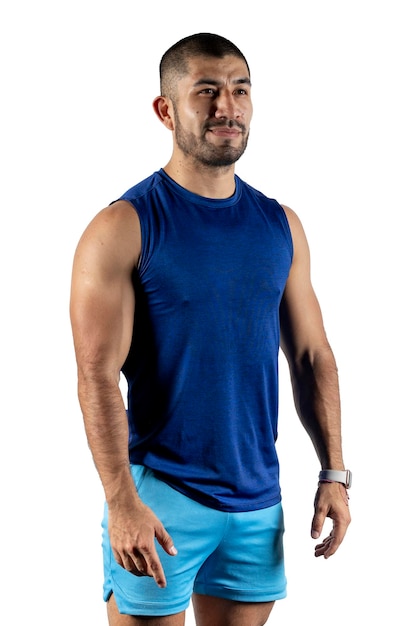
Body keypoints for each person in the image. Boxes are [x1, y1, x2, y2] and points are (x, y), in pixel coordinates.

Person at [70, 32, 351, 626]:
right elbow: (96, 375)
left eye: (239, 90)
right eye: (206, 92)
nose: (228, 108)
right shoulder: (124, 226)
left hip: (257, 503)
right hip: (162, 497)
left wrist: (334, 471)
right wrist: (122, 500)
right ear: (166, 110)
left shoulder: (280, 226)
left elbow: (311, 356)